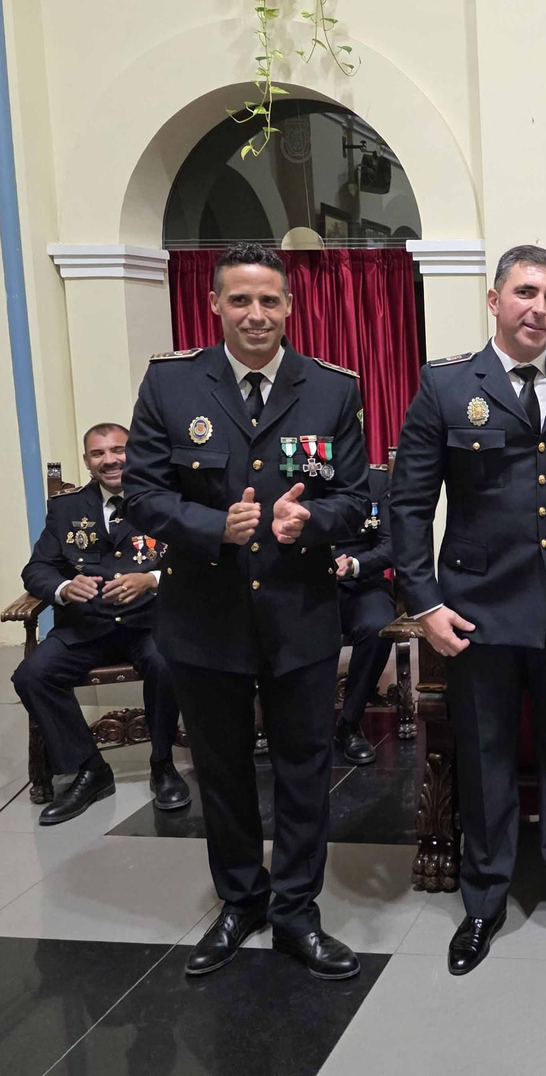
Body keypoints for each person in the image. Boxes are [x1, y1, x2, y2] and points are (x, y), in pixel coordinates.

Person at [123, 242, 370, 981]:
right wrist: (210, 528)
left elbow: (355, 499)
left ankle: (295, 911)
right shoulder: (171, 385)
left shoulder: (331, 390)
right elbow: (141, 491)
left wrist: (312, 523)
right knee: (224, 772)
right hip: (206, 618)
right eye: (240, 300)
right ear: (214, 304)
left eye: (269, 301)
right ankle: (240, 900)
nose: (256, 314)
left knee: (303, 771)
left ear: (291, 307)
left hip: (299, 616)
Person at [389, 244, 546, 975]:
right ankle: (484, 902)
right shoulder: (447, 385)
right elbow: (408, 502)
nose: (540, 309)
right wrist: (422, 604)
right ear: (495, 301)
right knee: (485, 762)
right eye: (526, 293)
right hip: (478, 613)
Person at [13, 422, 188, 825]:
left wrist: (152, 579)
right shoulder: (67, 507)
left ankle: (163, 764)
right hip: (85, 626)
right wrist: (61, 587)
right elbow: (37, 568)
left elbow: (197, 561)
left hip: (148, 624)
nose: (110, 459)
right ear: (88, 462)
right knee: (32, 675)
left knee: (167, 665)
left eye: (119, 449)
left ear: (136, 452)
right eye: (98, 453)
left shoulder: (163, 499)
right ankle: (90, 769)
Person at [332, 457, 396, 765]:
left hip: (362, 580)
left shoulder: (377, 481)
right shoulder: (304, 476)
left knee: (378, 625)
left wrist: (356, 565)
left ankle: (348, 722)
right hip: (308, 581)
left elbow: (391, 544)